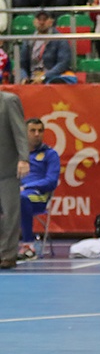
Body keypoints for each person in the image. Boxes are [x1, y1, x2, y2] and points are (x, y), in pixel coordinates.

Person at [17, 117, 59, 260]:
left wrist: (27, 186)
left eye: (40, 131)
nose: (37, 134)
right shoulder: (16, 154)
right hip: (14, 193)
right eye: (33, 130)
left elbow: (51, 181)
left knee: (22, 198)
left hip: (38, 196)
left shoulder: (50, 154)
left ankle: (28, 245)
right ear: (24, 133)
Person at [0, 90, 28, 270]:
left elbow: (20, 131)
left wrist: (24, 158)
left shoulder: (9, 101)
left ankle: (7, 255)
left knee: (10, 213)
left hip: (7, 168)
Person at [19, 10, 74, 84]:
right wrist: (24, 77)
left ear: (51, 22)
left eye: (45, 19)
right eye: (39, 19)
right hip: (32, 77)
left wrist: (44, 76)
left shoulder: (60, 39)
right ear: (34, 22)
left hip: (52, 77)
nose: (42, 22)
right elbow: (22, 64)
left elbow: (63, 63)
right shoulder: (28, 40)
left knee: (57, 82)